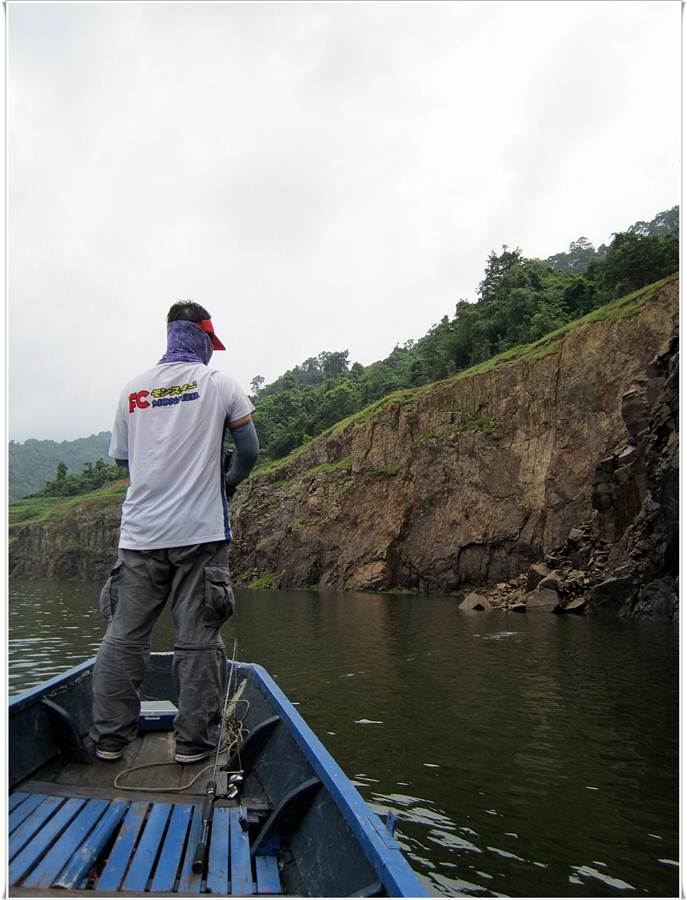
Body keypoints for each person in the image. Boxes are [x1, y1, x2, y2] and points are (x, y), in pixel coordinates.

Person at [89, 300, 260, 764]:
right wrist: (227, 483)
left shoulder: (132, 391)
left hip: (140, 536)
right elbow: (249, 450)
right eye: (211, 343)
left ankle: (109, 741)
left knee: (123, 637)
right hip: (200, 534)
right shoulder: (220, 385)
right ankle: (193, 746)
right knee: (198, 639)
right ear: (203, 338)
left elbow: (124, 460)